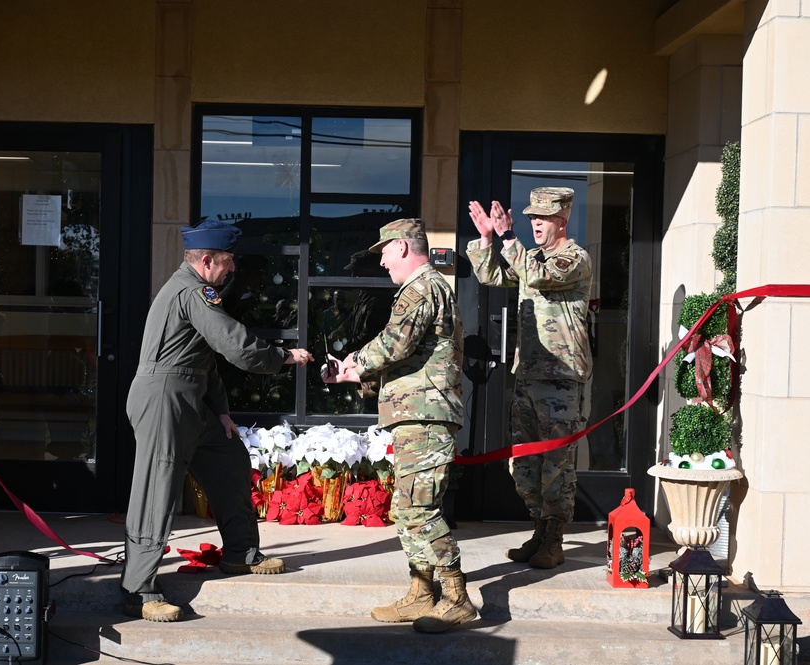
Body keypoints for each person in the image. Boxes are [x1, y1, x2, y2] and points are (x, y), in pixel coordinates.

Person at [122, 220, 314, 622]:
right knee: (157, 490)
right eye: (227, 262)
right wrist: (283, 358)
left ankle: (240, 552)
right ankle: (137, 589)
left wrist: (222, 412)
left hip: (191, 398)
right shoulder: (192, 291)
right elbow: (232, 343)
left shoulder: (196, 290)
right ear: (207, 260)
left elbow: (202, 358)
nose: (232, 269)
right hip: (164, 399)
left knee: (228, 459)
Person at [323, 218, 476, 634]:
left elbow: (395, 343)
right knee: (406, 509)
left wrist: (354, 361)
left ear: (405, 248)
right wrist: (360, 376)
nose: (384, 262)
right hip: (417, 414)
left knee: (419, 510)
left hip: (427, 418)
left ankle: (457, 596)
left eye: (386, 252)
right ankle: (422, 592)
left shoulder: (421, 288)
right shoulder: (426, 289)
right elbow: (413, 358)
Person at [466, 187, 593, 570]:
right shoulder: (528, 257)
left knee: (556, 463)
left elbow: (535, 276)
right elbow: (492, 275)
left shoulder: (574, 258)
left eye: (543, 217)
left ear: (562, 220)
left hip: (561, 378)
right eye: (531, 216)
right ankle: (539, 530)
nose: (535, 222)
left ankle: (554, 539)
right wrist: (487, 239)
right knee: (524, 464)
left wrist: (508, 238)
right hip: (528, 374)